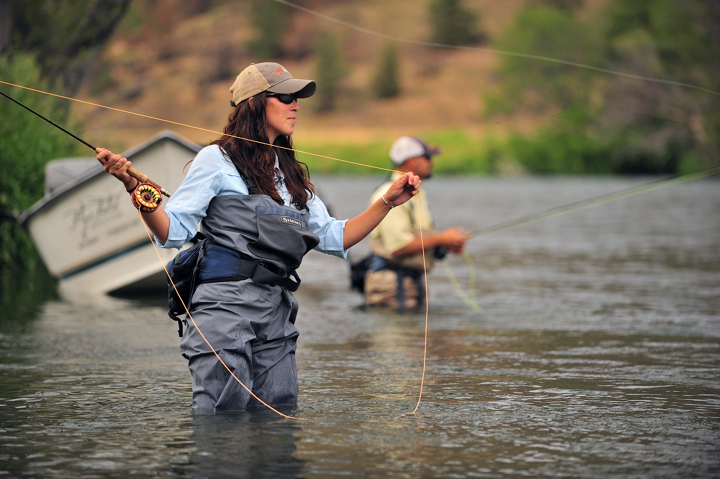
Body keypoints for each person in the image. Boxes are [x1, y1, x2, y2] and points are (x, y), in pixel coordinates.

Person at [96, 62, 421, 413]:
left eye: (296, 97)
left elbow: (334, 237)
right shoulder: (215, 160)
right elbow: (174, 232)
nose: (295, 104)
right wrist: (136, 187)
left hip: (276, 308)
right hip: (223, 305)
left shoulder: (290, 174)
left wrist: (389, 201)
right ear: (253, 104)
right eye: (284, 96)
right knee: (224, 417)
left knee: (278, 414)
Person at [363, 136, 467, 309]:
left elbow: (417, 238)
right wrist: (441, 239)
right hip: (391, 286)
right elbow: (398, 247)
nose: (431, 163)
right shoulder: (388, 195)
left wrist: (446, 244)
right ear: (412, 161)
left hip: (413, 282)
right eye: (427, 158)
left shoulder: (416, 194)